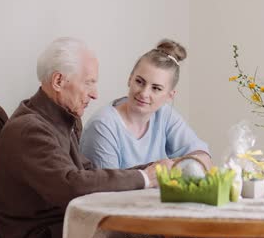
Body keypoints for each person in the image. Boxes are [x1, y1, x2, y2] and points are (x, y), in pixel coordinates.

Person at [0, 37, 172, 238]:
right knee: (157, 235)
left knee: (165, 232)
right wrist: (145, 178)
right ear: (58, 81)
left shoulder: (59, 119)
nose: (95, 94)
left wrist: (152, 169)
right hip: (44, 235)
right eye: (89, 83)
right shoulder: (30, 130)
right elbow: (73, 186)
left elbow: (88, 173)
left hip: (66, 226)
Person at [80, 39, 212, 170]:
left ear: (169, 96)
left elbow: (203, 159)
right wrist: (170, 169)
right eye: (140, 82)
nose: (144, 93)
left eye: (156, 88)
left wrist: (171, 168)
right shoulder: (103, 126)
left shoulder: (164, 114)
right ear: (130, 79)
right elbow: (107, 186)